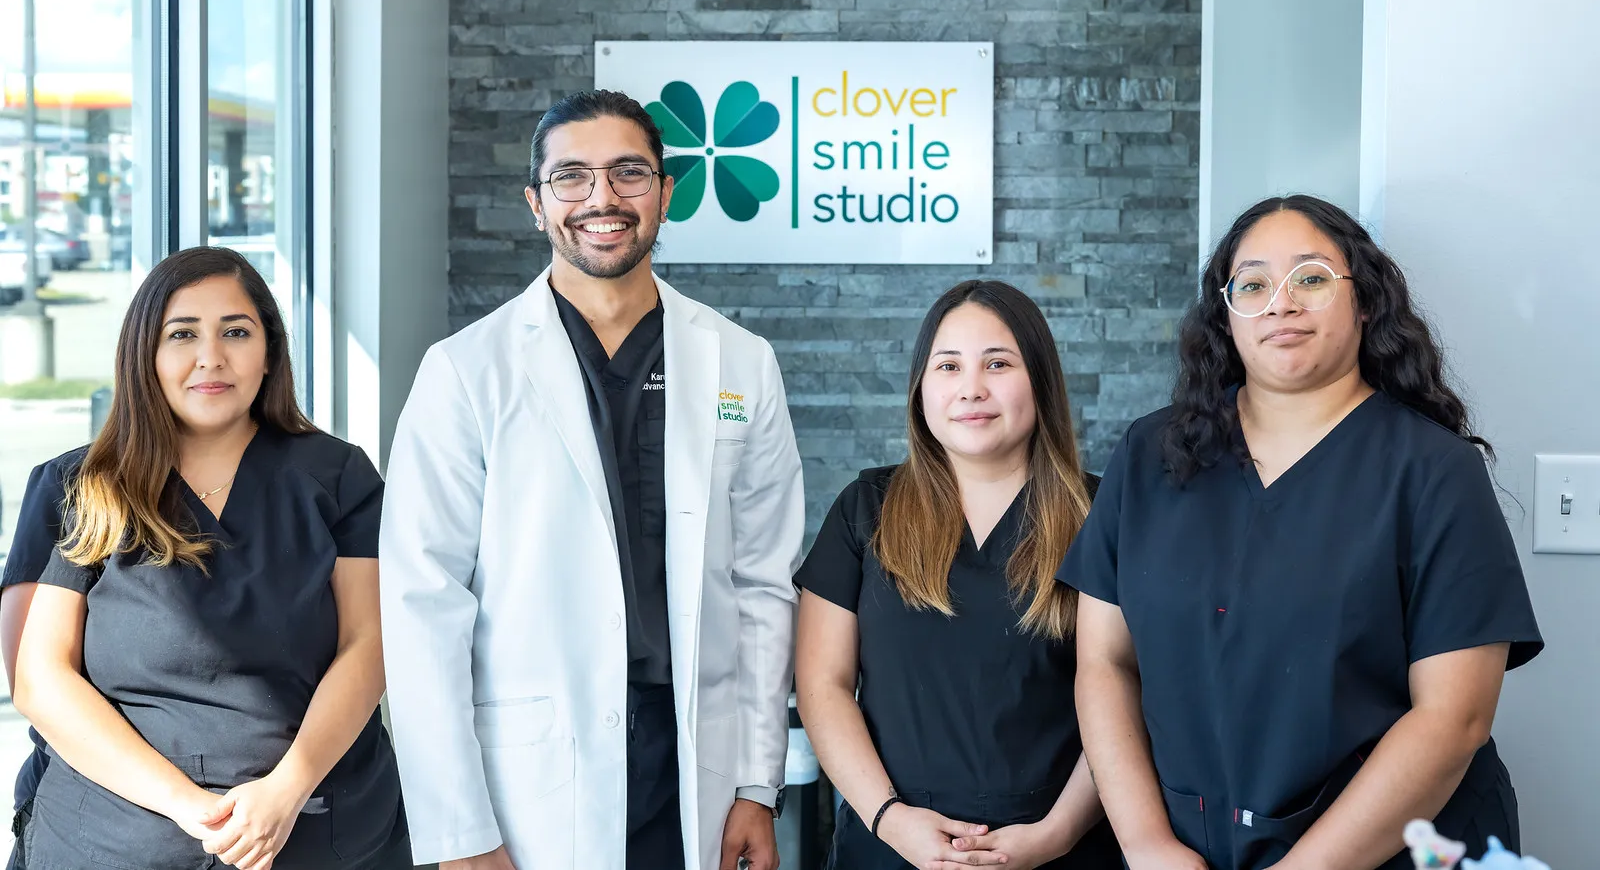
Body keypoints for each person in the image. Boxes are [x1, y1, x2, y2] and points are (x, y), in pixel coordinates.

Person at [379, 89, 805, 870]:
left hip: (693, 760)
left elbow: (762, 589)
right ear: (536, 204)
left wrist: (755, 784)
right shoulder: (466, 371)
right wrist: (459, 830)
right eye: (571, 177)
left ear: (667, 194)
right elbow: (422, 606)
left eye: (628, 173)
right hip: (528, 774)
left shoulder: (741, 362)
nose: (602, 198)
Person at [1060, 195, 1542, 870]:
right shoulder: (1150, 455)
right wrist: (1147, 845)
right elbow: (1104, 664)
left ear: (1364, 302)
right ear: (1226, 318)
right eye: (1252, 284)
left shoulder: (1434, 471)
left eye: (1311, 278)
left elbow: (1453, 718)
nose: (1280, 303)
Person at [7, 246, 408, 870]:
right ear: (146, 353)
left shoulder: (339, 477)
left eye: (236, 332)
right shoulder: (79, 487)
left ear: (268, 350)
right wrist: (188, 806)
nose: (211, 357)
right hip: (118, 840)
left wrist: (285, 789)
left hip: (319, 829)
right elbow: (40, 681)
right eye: (183, 333)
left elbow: (371, 643)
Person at [796, 280, 1122, 870]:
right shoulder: (865, 507)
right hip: (890, 843)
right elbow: (823, 684)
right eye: (948, 365)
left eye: (998, 363)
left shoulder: (1104, 516)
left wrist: (1056, 833)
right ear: (921, 387)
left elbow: (1128, 692)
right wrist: (890, 820)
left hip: (1062, 847)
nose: (972, 388)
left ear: (1041, 382)